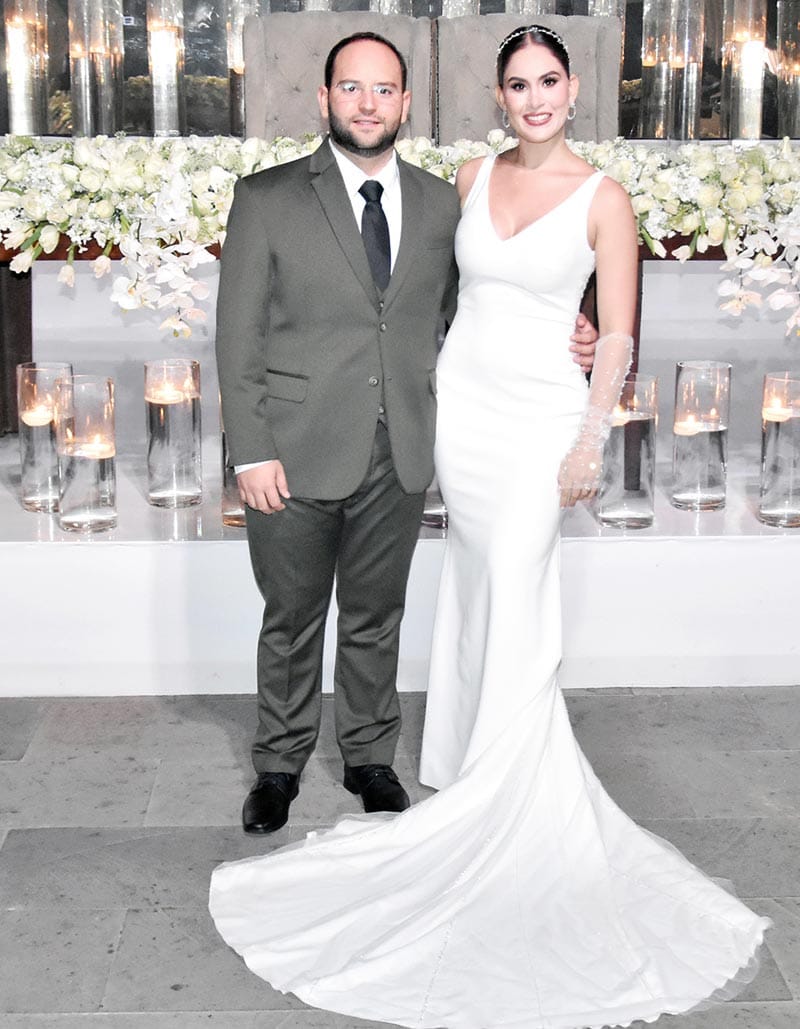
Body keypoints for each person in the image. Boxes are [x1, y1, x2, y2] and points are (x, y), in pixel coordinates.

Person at [210, 26, 770, 1028]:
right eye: (517, 82)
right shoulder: (451, 183)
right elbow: (418, 305)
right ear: (497, 97)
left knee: (475, 596)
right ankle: (310, 765)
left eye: (548, 80)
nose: (534, 96)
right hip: (448, 423)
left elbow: (603, 327)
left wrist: (589, 416)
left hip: (524, 427)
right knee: (401, 600)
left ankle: (477, 791)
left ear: (572, 88)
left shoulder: (577, 197)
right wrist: (251, 447)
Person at [215, 29, 597, 836]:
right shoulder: (267, 198)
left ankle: (368, 755)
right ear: (325, 98)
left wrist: (575, 330)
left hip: (402, 447)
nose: (367, 104)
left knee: (375, 614)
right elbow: (236, 337)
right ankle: (279, 763)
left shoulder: (439, 203)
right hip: (291, 450)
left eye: (383, 89)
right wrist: (251, 449)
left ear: (406, 103)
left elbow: (475, 306)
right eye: (351, 88)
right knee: (291, 616)